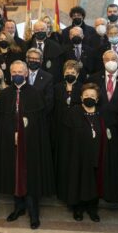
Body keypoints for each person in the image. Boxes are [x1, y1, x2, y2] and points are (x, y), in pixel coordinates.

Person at [0, 61, 54, 229]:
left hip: (31, 143)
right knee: (14, 174)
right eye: (13, 71)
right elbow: (3, 120)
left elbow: (39, 122)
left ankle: (33, 213)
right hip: (10, 142)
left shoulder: (36, 93)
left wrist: (24, 134)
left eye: (20, 71)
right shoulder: (5, 94)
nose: (16, 74)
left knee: (30, 176)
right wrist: (11, 134)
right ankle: (18, 207)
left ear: (27, 73)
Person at [64, 83, 118, 222]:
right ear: (81, 96)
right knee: (79, 180)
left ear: (97, 98)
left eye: (92, 96)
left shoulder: (102, 113)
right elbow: (66, 137)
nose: (89, 97)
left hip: (97, 155)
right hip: (78, 156)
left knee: (95, 182)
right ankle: (78, 208)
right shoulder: (74, 112)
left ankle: (92, 209)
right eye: (87, 95)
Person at [53, 60, 82, 202]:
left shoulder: (82, 88)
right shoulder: (57, 88)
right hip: (60, 129)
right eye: (67, 72)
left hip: (77, 131)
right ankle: (61, 191)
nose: (70, 74)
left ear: (78, 74)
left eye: (73, 73)